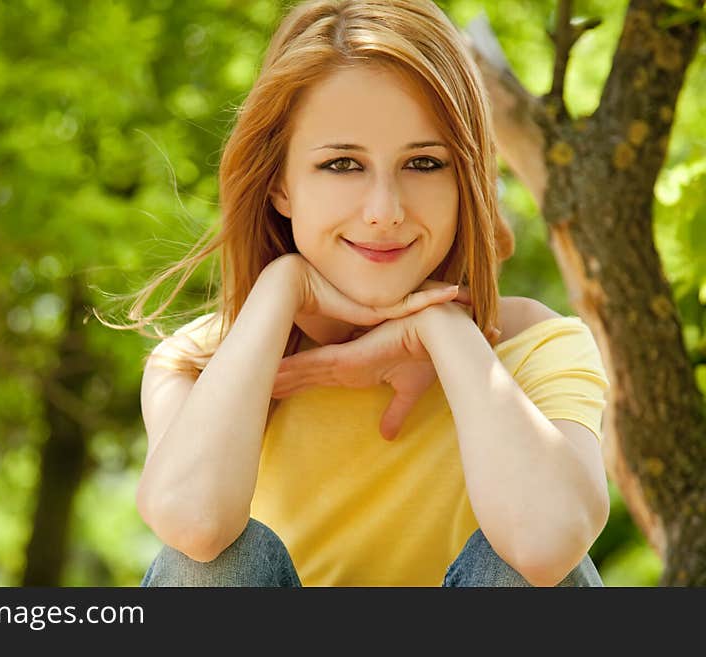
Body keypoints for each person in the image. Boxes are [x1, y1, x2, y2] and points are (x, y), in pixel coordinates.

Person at [111, 0, 611, 587]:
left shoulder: (534, 348)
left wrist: (444, 328)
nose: (385, 212)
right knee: (213, 564)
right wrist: (278, 288)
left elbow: (548, 545)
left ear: (465, 182)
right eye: (343, 163)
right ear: (280, 187)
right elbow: (193, 529)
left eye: (424, 163)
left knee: (525, 567)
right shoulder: (197, 363)